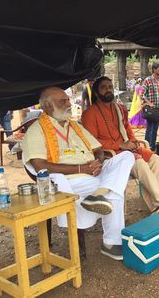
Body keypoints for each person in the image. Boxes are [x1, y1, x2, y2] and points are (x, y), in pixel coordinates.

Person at [21, 87, 135, 260]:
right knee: (115, 192)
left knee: (126, 156)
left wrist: (99, 162)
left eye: (68, 100)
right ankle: (111, 243)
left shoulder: (74, 126)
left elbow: (97, 148)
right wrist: (81, 169)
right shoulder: (36, 130)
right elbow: (39, 165)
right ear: (47, 106)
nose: (69, 104)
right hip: (69, 179)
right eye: (62, 101)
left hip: (94, 172)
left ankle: (99, 194)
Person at [81, 76, 159, 220]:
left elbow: (127, 129)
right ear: (96, 93)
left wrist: (132, 141)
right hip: (110, 155)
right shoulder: (89, 114)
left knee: (156, 160)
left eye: (110, 87)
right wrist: (120, 145)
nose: (108, 90)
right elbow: (92, 142)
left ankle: (157, 207)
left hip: (128, 148)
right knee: (140, 164)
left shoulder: (119, 108)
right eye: (104, 88)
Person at [140, 62, 159, 151]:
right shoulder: (148, 80)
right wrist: (149, 103)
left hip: (158, 109)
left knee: (155, 129)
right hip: (151, 109)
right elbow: (141, 94)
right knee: (150, 128)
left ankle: (153, 148)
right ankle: (147, 148)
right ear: (154, 70)